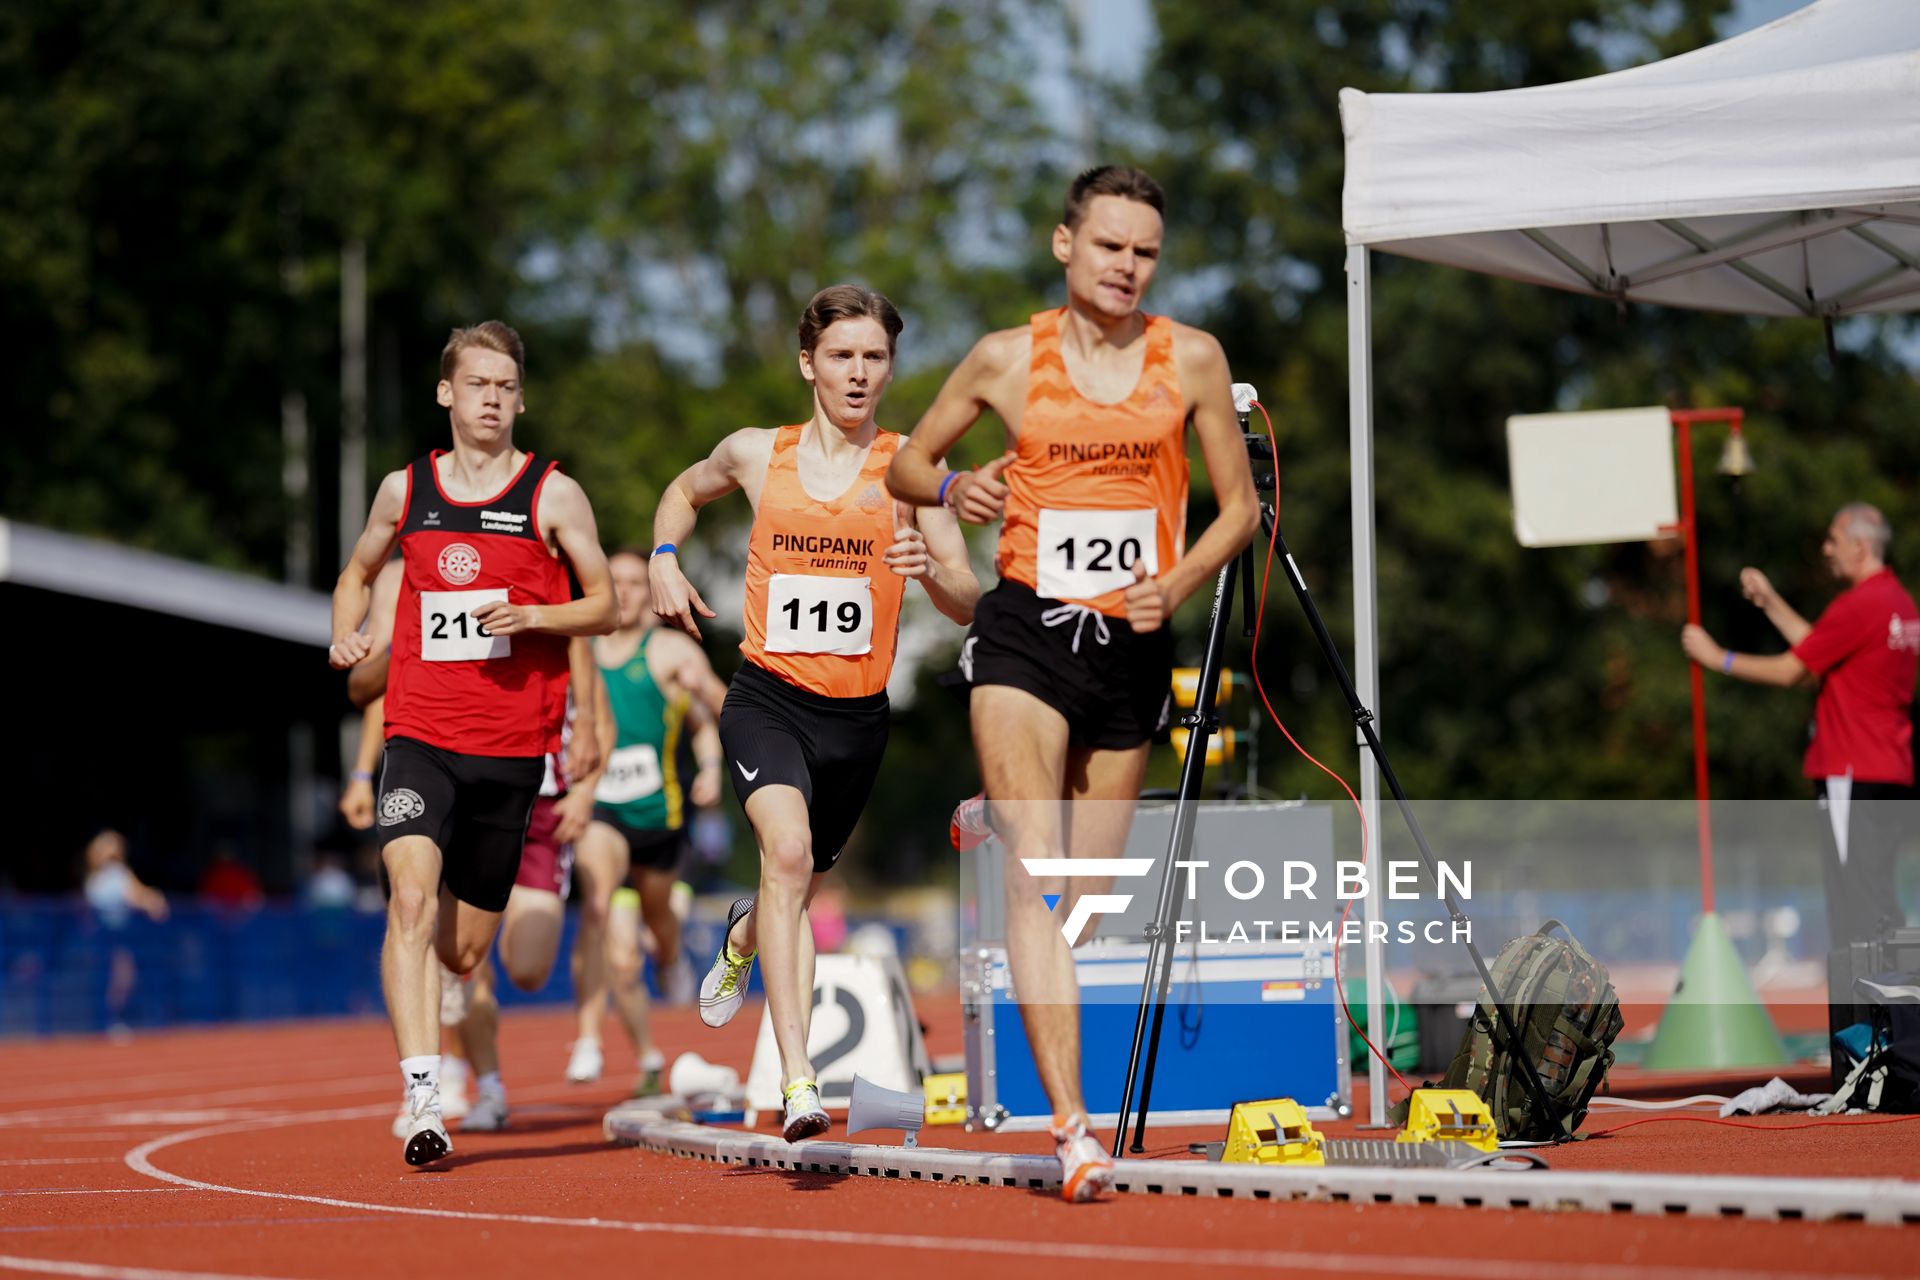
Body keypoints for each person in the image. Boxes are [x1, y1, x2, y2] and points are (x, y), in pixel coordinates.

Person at [886, 165, 1258, 1201]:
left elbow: (1239, 509)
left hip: (1133, 649)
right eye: (1109, 246)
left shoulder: (1191, 358)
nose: (1126, 266)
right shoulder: (1007, 359)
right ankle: (1073, 1130)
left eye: (1144, 251)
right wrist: (960, 485)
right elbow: (908, 465)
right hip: (1022, 634)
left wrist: (1177, 581)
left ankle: (1005, 829)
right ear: (1066, 245)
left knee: (1083, 904)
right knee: (1039, 874)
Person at [650, 284, 979, 1142]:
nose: (859, 372)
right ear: (809, 364)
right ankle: (801, 1082)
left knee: (792, 885)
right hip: (766, 698)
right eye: (842, 356)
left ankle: (742, 937)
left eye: (875, 357)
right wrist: (660, 555)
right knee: (786, 857)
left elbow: (971, 598)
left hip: (857, 723)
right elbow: (684, 490)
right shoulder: (760, 454)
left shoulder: (911, 470)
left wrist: (932, 570)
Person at [329, 320, 616, 1166]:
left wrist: (537, 615)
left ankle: (446, 1022)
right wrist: (347, 633)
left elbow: (602, 604)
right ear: (448, 394)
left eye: (505, 386)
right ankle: (424, 1095)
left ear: (519, 399)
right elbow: (357, 572)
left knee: (461, 950)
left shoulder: (552, 495)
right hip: (420, 733)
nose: (491, 399)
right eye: (476, 384)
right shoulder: (403, 490)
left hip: (513, 748)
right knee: (409, 902)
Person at [1682, 502, 1918, 949]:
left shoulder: (1860, 605)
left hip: (1853, 771)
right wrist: (1771, 602)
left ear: (1860, 546)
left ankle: (1872, 1017)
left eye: (1833, 540)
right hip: (1888, 768)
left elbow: (1795, 670)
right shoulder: (1898, 603)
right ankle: (1890, 1013)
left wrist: (1719, 659)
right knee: (1878, 898)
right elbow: (1820, 650)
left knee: (1858, 909)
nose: (1826, 549)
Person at [569, 548, 729, 1093]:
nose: (628, 591)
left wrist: (710, 766)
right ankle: (592, 1040)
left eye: (638, 582)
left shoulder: (667, 649)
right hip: (600, 812)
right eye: (617, 582)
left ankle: (671, 953)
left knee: (659, 930)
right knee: (604, 922)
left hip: (659, 817)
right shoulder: (579, 649)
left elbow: (712, 714)